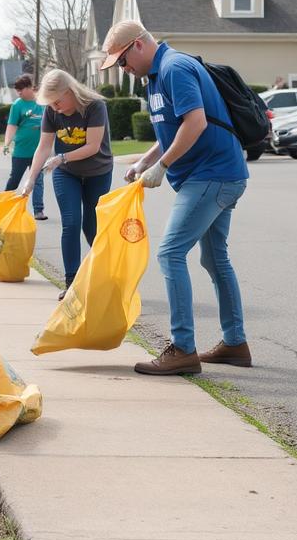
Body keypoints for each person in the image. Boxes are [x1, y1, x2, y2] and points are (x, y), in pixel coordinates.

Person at [100, 19, 250, 375]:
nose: (124, 69)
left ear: (138, 45)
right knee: (215, 259)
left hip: (212, 175)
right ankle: (235, 343)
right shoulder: (157, 76)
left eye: (122, 61)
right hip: (215, 175)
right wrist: (146, 161)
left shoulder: (174, 67)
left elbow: (195, 122)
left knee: (170, 254)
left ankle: (183, 349)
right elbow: (174, 127)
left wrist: (162, 166)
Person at [21, 69, 113, 298]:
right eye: (50, 104)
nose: (54, 108)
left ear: (70, 91)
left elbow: (92, 146)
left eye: (57, 102)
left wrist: (62, 157)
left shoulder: (95, 106)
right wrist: (31, 180)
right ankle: (71, 283)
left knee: (92, 227)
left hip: (97, 171)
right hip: (67, 172)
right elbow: (43, 147)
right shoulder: (52, 112)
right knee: (71, 223)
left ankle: (108, 276)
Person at [3, 74, 47, 221]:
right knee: (14, 179)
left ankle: (38, 210)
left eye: (21, 89)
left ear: (30, 88)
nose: (19, 93)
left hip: (38, 151)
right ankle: (4, 204)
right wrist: (7, 142)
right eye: (17, 90)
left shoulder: (42, 104)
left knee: (38, 180)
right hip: (21, 150)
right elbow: (12, 125)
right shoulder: (17, 105)